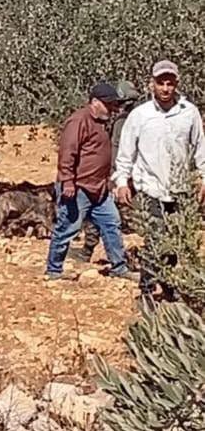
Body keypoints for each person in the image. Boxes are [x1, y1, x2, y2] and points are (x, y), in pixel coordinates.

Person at [113, 60, 205, 303]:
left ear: (176, 84)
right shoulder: (140, 115)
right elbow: (126, 152)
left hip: (179, 189)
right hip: (150, 189)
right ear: (151, 84)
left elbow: (200, 148)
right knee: (155, 239)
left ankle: (169, 288)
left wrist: (203, 178)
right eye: (160, 83)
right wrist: (122, 181)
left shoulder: (189, 112)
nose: (165, 88)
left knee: (175, 240)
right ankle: (147, 292)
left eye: (169, 83)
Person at [44, 82, 137, 282]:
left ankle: (119, 267)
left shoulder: (103, 122)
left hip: (99, 189)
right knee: (67, 227)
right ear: (95, 102)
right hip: (78, 188)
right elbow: (67, 153)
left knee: (112, 223)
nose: (112, 108)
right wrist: (68, 181)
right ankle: (54, 270)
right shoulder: (78, 121)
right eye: (108, 104)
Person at [72, 79, 140, 263]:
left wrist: (115, 175)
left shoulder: (122, 121)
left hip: (120, 175)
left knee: (101, 211)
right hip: (132, 173)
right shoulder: (137, 117)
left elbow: (117, 148)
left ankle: (92, 251)